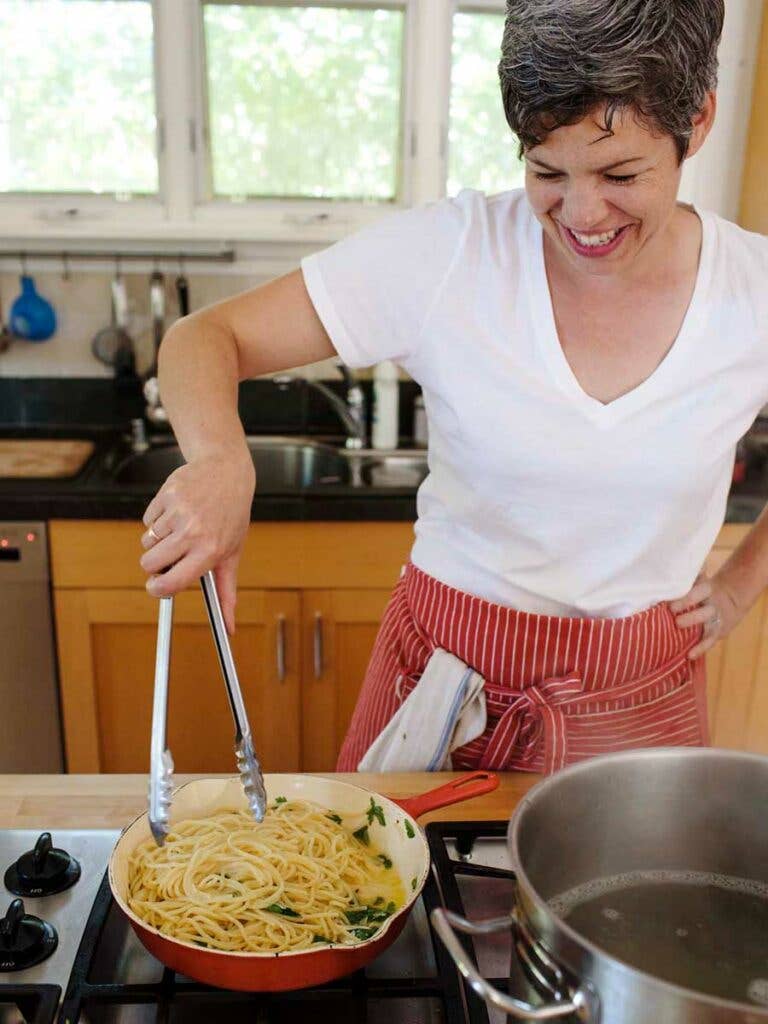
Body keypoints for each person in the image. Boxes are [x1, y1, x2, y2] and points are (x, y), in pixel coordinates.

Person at [139, 0, 768, 774]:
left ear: (697, 122)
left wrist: (742, 586)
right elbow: (204, 338)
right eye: (546, 171)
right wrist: (220, 462)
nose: (581, 213)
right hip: (439, 681)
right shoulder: (450, 254)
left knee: (621, 899)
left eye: (620, 173)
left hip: (640, 704)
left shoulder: (753, 292)